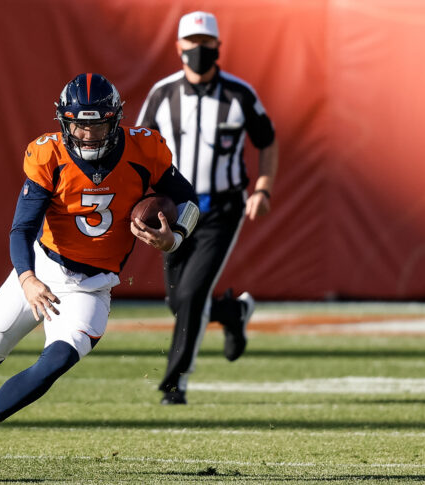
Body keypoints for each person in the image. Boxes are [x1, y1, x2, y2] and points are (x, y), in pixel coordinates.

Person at [0, 73, 200, 467]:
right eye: (79, 124)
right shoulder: (49, 154)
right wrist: (27, 279)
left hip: (91, 288)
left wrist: (173, 238)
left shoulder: (145, 149)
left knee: (55, 363)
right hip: (41, 271)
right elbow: (21, 228)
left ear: (116, 120)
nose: (88, 135)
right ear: (64, 121)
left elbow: (189, 198)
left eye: (98, 124)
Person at [136, 11, 279, 405]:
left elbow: (267, 139)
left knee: (193, 294)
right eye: (192, 42)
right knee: (176, 299)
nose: (199, 49)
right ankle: (232, 313)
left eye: (206, 42)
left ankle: (175, 382)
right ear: (178, 46)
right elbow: (139, 150)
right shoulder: (162, 94)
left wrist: (263, 188)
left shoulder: (239, 94)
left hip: (221, 208)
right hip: (177, 208)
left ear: (217, 45)